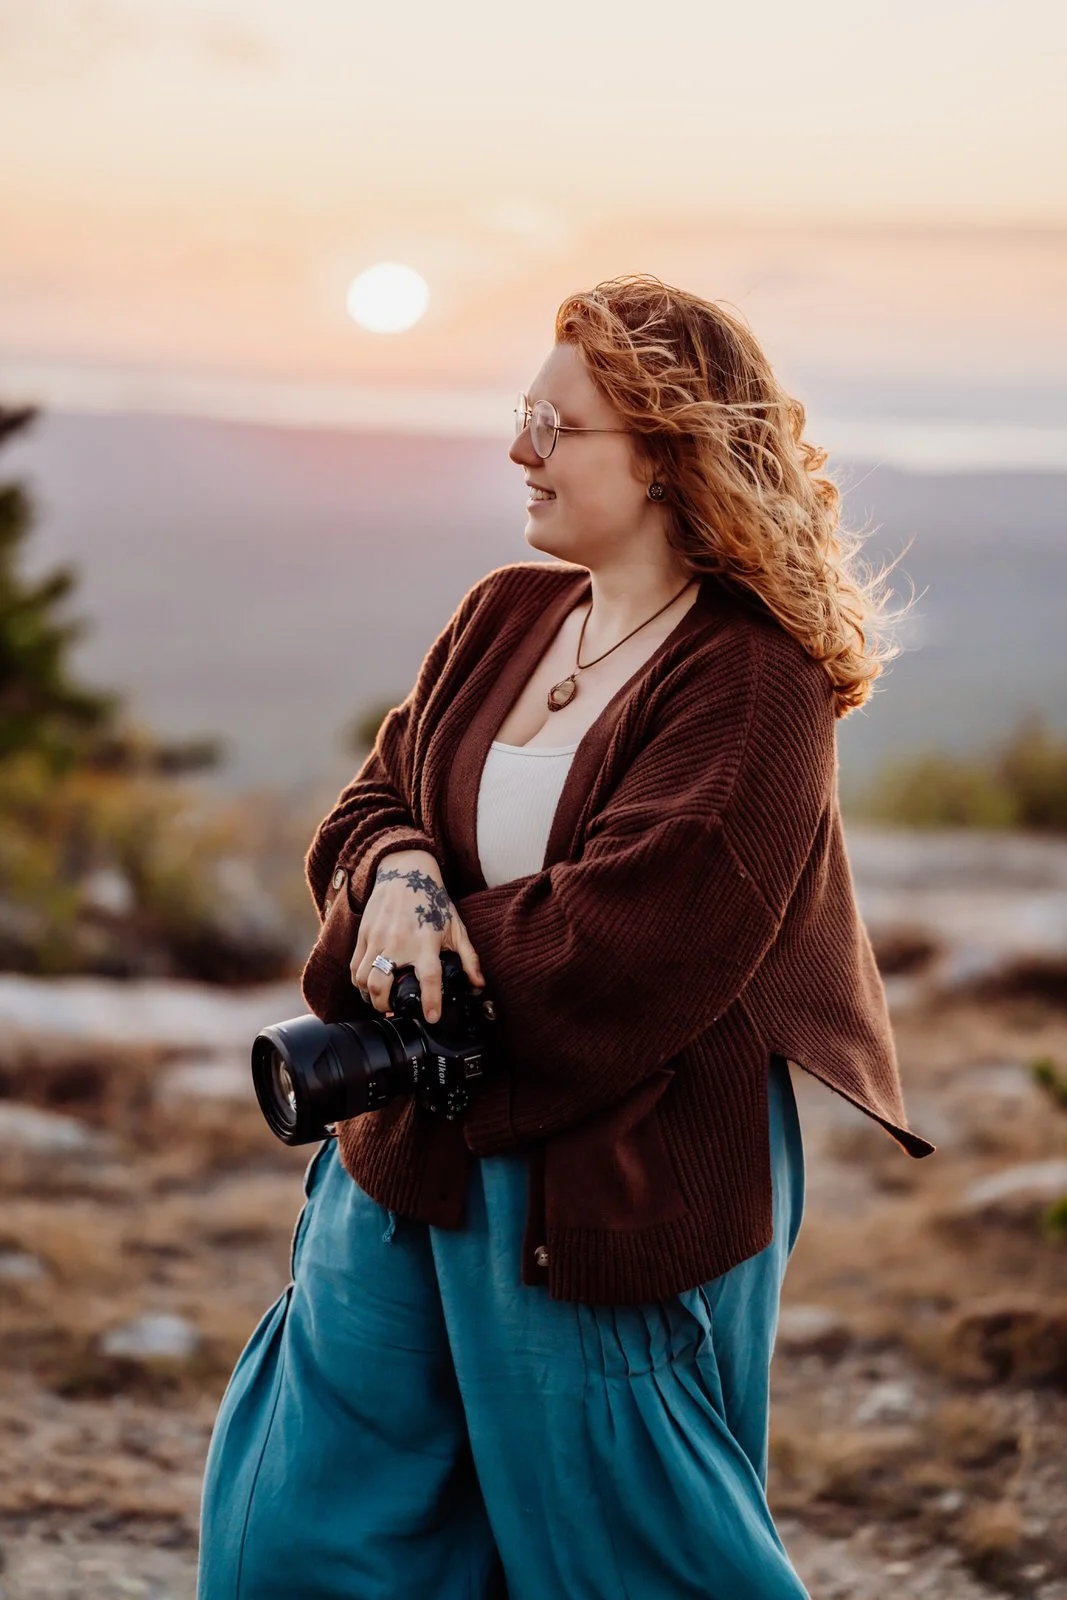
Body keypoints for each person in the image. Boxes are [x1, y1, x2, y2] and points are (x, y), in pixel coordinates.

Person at [197, 273, 935, 1599]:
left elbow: (639, 941)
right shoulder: (503, 615)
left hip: (614, 1163)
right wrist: (403, 877)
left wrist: (410, 962)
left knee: (626, 1553)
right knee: (300, 1530)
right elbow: (375, 800)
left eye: (559, 424)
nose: (517, 448)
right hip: (403, 1146)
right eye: (518, 413)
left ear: (663, 453)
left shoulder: (754, 679)